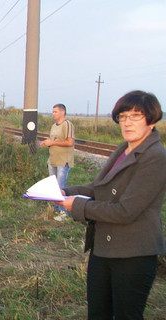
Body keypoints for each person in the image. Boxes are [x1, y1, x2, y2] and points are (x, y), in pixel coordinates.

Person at [57, 90, 166, 319]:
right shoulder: (123, 149)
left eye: (135, 116)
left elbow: (126, 211)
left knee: (127, 315)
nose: (127, 122)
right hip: (103, 248)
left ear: (152, 120)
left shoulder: (155, 156)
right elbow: (99, 187)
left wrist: (77, 206)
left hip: (133, 254)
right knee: (98, 313)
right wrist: (64, 192)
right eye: (123, 117)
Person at [41, 103, 74, 222]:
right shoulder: (53, 126)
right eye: (53, 112)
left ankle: (63, 212)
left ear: (62, 112)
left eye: (55, 112)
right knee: (53, 187)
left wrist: (52, 143)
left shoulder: (67, 125)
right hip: (53, 160)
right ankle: (56, 208)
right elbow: (53, 141)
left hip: (63, 161)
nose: (53, 114)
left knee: (61, 187)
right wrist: (47, 143)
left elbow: (69, 142)